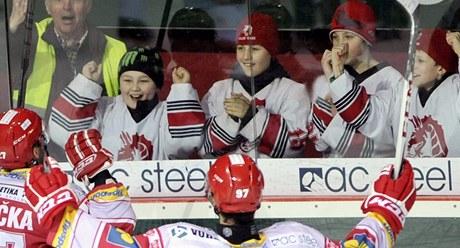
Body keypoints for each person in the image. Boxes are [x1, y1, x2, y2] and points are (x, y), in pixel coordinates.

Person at [24, 153, 415, 247]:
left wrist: (60, 215)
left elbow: (115, 245)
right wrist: (386, 212)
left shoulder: (181, 238)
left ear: (211, 197)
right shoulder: (298, 238)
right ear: (260, 198)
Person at [0, 108, 135, 247]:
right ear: (35, 151)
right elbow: (113, 235)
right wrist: (100, 176)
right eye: (42, 139)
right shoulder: (53, 192)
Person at [49, 46, 206, 160]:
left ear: (157, 85)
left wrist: (181, 90)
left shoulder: (168, 113)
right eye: (127, 80)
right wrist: (86, 84)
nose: (134, 88)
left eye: (144, 81)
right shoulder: (105, 109)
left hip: (157, 199)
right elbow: (64, 134)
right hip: (110, 198)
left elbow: (184, 143)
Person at [326, 28, 460, 157]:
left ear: (441, 68)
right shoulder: (401, 92)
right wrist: (338, 71)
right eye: (412, 59)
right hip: (412, 178)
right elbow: (363, 113)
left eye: (420, 60)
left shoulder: (455, 89)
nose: (413, 65)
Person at [200, 13, 310, 158]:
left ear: (271, 52)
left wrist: (250, 116)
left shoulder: (293, 91)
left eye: (255, 49)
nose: (245, 57)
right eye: (240, 48)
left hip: (276, 179)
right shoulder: (218, 90)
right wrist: (230, 119)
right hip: (228, 178)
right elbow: (203, 148)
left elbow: (293, 148)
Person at [307, 0, 405, 158]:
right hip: (334, 175)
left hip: (374, 173)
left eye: (348, 37)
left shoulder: (392, 80)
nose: (340, 45)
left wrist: (335, 116)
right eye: (336, 38)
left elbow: (384, 143)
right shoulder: (329, 77)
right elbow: (318, 141)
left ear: (367, 39)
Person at [8, 0, 126, 119]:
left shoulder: (116, 50)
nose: (67, 6)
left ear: (88, 5)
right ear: (47, 7)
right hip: (36, 135)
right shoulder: (28, 40)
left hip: (92, 136)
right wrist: (11, 29)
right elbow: (6, 61)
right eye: (59, 0)